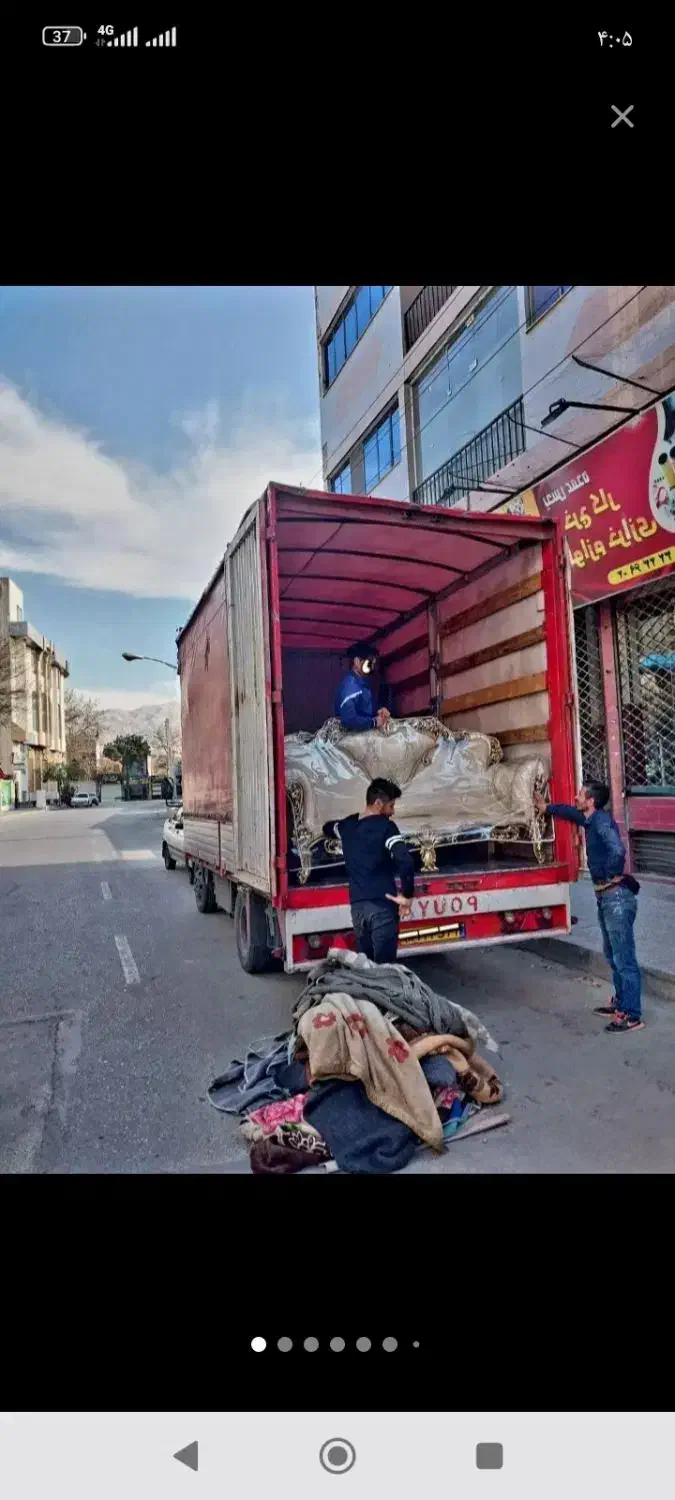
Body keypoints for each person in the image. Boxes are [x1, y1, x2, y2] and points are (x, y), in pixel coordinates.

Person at [534, 781, 643, 1033]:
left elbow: (617, 850)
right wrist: (547, 807)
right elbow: (572, 813)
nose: (576, 796)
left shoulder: (602, 823)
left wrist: (609, 875)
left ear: (591, 801)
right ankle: (621, 1003)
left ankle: (633, 1014)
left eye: (581, 794)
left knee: (624, 959)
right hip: (607, 899)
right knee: (613, 956)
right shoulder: (591, 820)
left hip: (616, 899)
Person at [326, 777, 415, 963]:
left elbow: (328, 827)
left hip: (358, 910)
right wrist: (407, 895)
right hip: (382, 908)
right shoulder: (387, 827)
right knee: (385, 969)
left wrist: (349, 822)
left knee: (365, 967)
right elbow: (405, 860)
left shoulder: (346, 827)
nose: (392, 812)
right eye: (391, 806)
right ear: (378, 803)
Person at [334, 644, 391, 733]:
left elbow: (363, 710)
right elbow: (348, 719)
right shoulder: (350, 686)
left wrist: (379, 711)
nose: (372, 667)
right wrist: (374, 722)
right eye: (369, 663)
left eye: (373, 663)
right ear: (357, 661)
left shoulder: (362, 683)